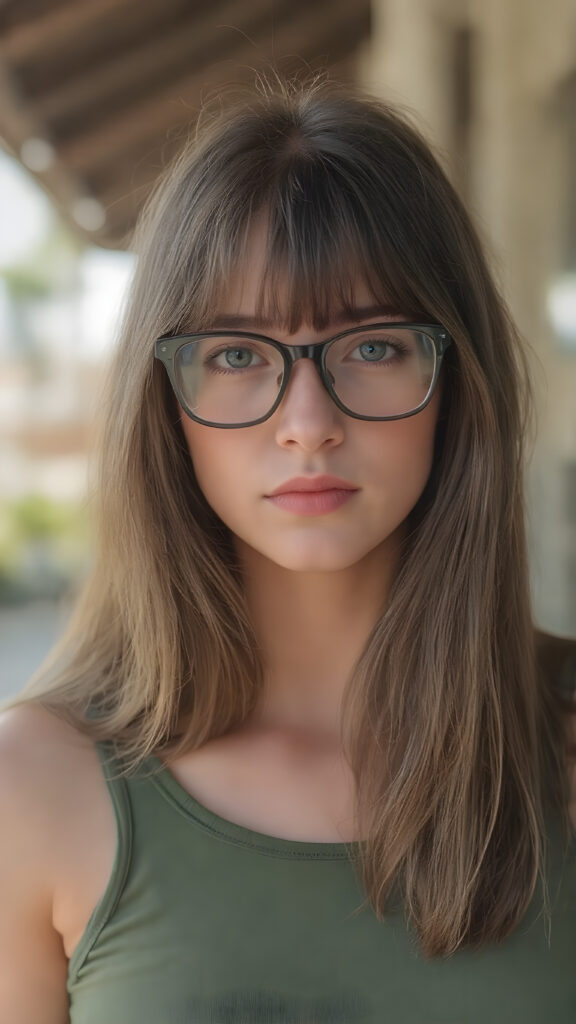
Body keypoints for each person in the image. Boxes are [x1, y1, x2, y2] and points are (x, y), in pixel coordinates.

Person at [0, 77, 575, 1024]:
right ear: (164, 402)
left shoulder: (559, 743)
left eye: (374, 347)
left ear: (457, 382)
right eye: (236, 355)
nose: (308, 424)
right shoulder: (37, 786)